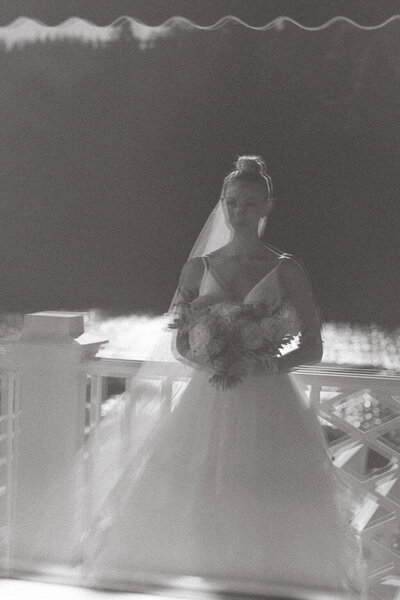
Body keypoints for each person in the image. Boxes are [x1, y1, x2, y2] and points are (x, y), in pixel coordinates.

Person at [81, 156, 365, 597]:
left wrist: (265, 363)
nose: (239, 213)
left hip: (270, 401)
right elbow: (178, 341)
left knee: (266, 502)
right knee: (198, 495)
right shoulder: (198, 268)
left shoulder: (287, 269)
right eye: (232, 203)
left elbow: (313, 345)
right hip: (208, 398)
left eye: (250, 204)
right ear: (223, 205)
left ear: (267, 207)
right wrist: (209, 356)